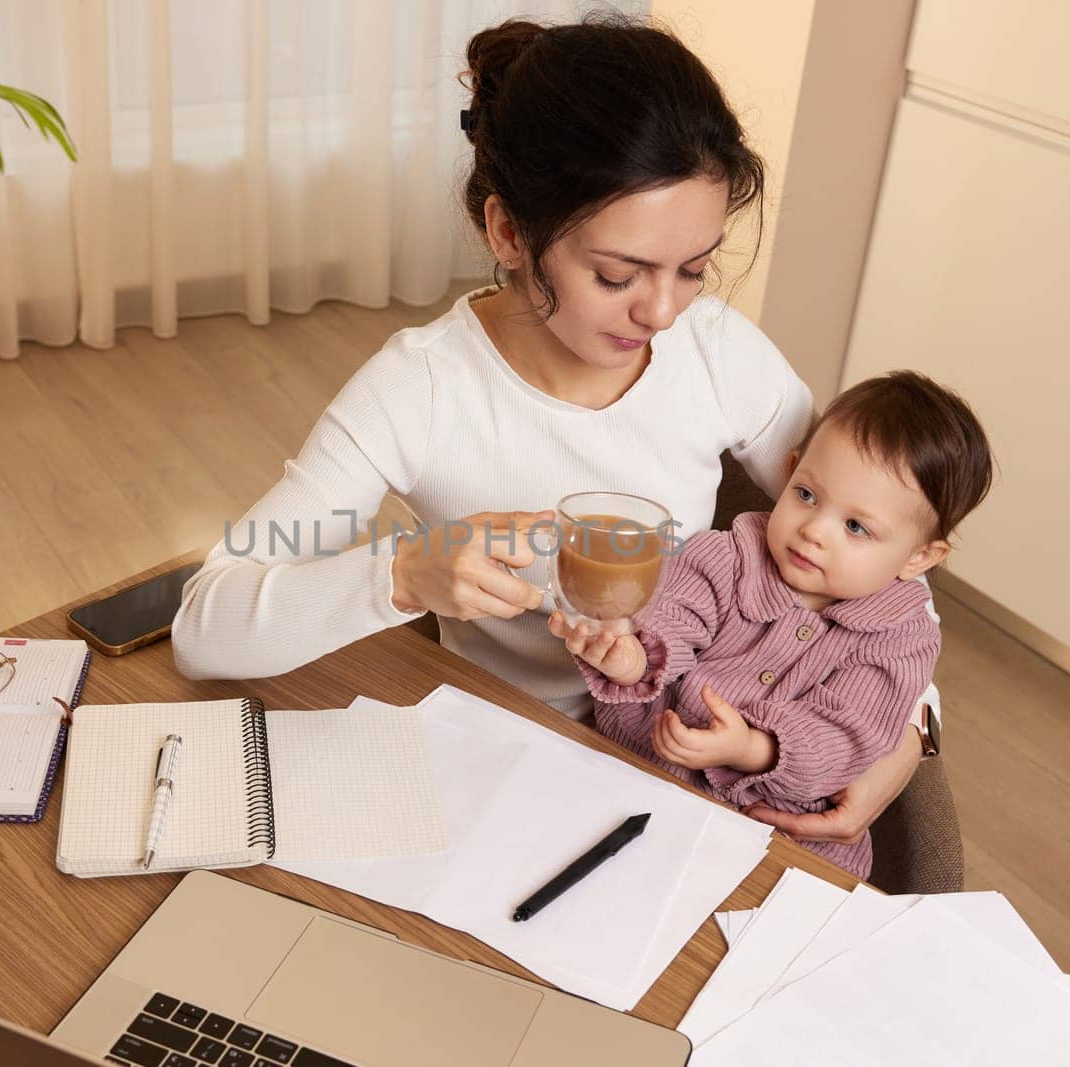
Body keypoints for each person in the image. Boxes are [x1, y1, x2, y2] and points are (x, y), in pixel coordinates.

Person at [172, 15, 932, 851]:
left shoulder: (718, 355)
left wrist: (906, 742)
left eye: (693, 268)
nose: (663, 311)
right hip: (498, 764)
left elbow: (887, 547)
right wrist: (401, 574)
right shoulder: (419, 390)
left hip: (685, 776)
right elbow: (206, 625)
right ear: (508, 233)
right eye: (617, 274)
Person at [554, 373, 993, 877]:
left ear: (919, 557)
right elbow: (673, 616)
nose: (813, 531)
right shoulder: (726, 556)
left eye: (855, 527)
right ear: (789, 473)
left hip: (777, 850)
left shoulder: (902, 641)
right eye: (806, 494)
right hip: (634, 792)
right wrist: (631, 658)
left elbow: (846, 736)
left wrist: (752, 749)